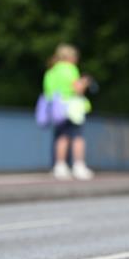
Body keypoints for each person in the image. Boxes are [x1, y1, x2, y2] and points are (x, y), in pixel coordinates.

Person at [42, 44, 95, 180]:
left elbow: (48, 92)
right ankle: (79, 166)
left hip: (57, 107)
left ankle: (60, 166)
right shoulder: (70, 69)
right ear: (70, 57)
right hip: (72, 106)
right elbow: (77, 89)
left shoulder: (51, 71)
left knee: (62, 137)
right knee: (77, 137)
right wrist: (84, 83)